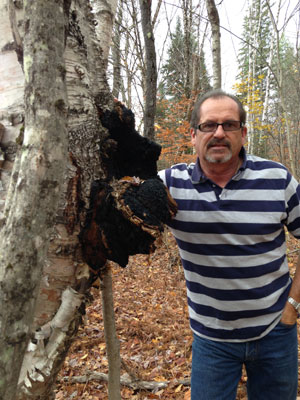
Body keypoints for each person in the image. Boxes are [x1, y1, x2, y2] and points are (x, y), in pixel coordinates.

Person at [158, 89, 300, 400]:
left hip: (276, 331)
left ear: (243, 133)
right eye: (209, 125)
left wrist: (292, 307)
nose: (219, 133)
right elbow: (123, 209)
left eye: (229, 125)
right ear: (193, 135)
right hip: (211, 338)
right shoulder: (169, 186)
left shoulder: (277, 179)